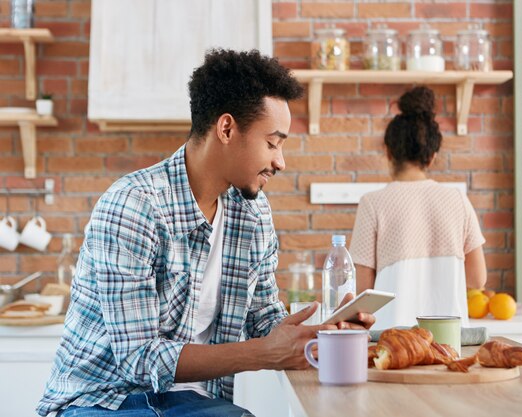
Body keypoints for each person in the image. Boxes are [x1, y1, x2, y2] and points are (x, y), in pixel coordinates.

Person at [37, 49, 374, 417]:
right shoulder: (133, 206)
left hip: (188, 404)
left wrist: (323, 334)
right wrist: (264, 353)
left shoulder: (252, 211)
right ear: (226, 128)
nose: (280, 161)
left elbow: (264, 320)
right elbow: (138, 359)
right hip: (101, 401)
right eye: (272, 142)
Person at [349, 86, 487, 330]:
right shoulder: (457, 201)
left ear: (388, 152)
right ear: (432, 156)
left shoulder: (372, 203)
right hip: (449, 342)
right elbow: (478, 279)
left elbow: (363, 290)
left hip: (392, 341)